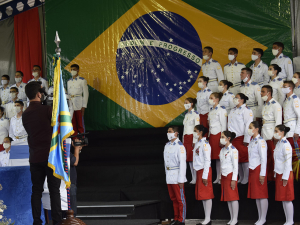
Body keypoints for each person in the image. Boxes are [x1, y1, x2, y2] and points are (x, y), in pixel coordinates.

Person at [22, 81, 62, 225]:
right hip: (50, 156)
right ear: (39, 94)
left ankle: (37, 222)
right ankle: (57, 222)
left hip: (34, 157)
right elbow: (58, 128)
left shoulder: (25, 114)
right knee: (54, 191)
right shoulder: (47, 110)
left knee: (36, 191)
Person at [228, 93, 253, 184]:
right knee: (236, 159)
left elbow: (248, 125)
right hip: (233, 137)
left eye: (237, 98)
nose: (234, 99)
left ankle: (246, 177)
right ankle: (241, 177)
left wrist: (247, 138)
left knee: (244, 158)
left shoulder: (246, 110)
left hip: (241, 136)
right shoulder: (233, 110)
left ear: (242, 100)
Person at [164, 126, 187, 225]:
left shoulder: (180, 146)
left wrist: (181, 179)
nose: (168, 133)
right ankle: (176, 218)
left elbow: (182, 163)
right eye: (168, 131)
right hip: (169, 175)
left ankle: (181, 219)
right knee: (173, 199)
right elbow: (166, 162)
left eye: (170, 131)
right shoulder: (167, 145)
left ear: (176, 133)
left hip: (177, 175)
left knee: (180, 199)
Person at [247, 121, 268, 225]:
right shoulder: (252, 141)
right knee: (256, 194)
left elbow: (263, 158)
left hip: (258, 168)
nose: (249, 129)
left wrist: (262, 174)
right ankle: (260, 217)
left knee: (262, 194)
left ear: (256, 129)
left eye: (251, 127)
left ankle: (263, 218)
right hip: (252, 168)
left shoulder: (261, 141)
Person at [193, 125, 214, 225]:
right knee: (202, 195)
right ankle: (206, 217)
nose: (193, 133)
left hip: (204, 170)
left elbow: (207, 160)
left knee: (207, 194)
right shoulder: (198, 143)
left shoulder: (205, 144)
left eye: (195, 131)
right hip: (199, 170)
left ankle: (208, 218)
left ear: (200, 132)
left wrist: (205, 175)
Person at [273, 125, 294, 225]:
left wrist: (285, 177)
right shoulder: (279, 143)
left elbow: (287, 162)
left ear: (282, 132)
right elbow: (277, 159)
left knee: (287, 198)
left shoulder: (286, 144)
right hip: (279, 173)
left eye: (276, 131)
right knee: (283, 198)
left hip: (285, 174)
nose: (275, 132)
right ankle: (287, 220)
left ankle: (290, 221)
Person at [261, 85, 282, 181]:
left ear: (269, 93)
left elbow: (278, 122)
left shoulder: (275, 105)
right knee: (267, 157)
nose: (261, 93)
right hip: (265, 133)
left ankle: (276, 177)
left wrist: (276, 135)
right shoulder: (265, 104)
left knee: (274, 157)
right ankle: (269, 177)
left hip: (272, 134)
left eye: (263, 92)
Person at [219, 131, 239, 225]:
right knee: (228, 197)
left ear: (228, 138)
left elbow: (235, 166)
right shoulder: (222, 150)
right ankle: (231, 218)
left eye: (223, 137)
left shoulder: (233, 150)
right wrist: (220, 176)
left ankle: (235, 219)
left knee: (233, 197)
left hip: (230, 175)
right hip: (224, 175)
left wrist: (234, 179)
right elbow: (221, 164)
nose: (221, 139)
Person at [207, 92, 227, 184]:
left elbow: (224, 125)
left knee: (221, 157)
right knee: (215, 157)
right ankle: (217, 177)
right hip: (212, 135)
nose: (210, 100)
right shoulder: (211, 110)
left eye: (212, 98)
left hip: (219, 134)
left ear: (217, 99)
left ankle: (222, 177)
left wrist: (222, 138)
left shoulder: (221, 110)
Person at [67, 64, 89, 137]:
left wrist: (84, 106)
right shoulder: (68, 81)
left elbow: (86, 94)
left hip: (79, 103)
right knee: (72, 122)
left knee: (80, 122)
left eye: (74, 69)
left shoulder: (82, 80)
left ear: (78, 70)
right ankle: (74, 138)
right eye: (71, 69)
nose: (72, 71)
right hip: (71, 104)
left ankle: (82, 138)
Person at [183, 98, 200, 184]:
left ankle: (196, 177)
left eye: (187, 103)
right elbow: (185, 129)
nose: (185, 104)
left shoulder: (195, 114)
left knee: (193, 158)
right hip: (186, 138)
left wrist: (195, 140)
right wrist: (183, 139)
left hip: (191, 137)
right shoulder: (186, 115)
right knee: (188, 159)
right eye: (184, 103)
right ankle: (193, 177)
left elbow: (196, 128)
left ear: (192, 104)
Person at [281, 81, 300, 149]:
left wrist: (297, 131)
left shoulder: (294, 99)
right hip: (286, 128)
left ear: (290, 88)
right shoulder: (286, 100)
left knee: (295, 152)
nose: (283, 88)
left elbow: (299, 115)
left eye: (285, 87)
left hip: (293, 128)